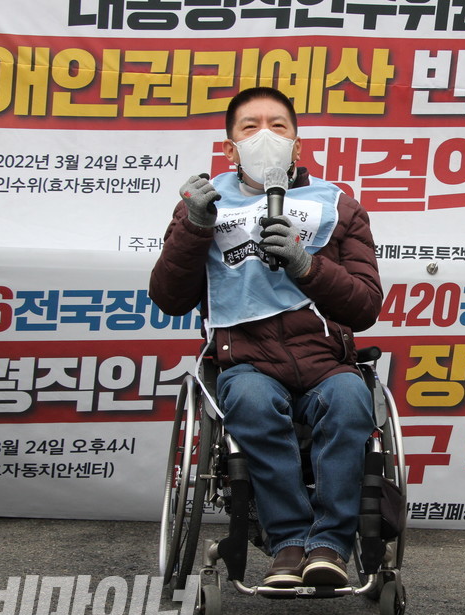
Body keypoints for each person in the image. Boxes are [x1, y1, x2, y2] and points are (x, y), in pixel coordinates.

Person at [149, 86, 383, 588]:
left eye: (278, 126)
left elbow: (364, 306)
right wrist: (194, 227)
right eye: (249, 128)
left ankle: (329, 547)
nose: (265, 137)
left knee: (349, 400)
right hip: (245, 361)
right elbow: (169, 298)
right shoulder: (204, 202)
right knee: (252, 401)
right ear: (230, 147)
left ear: (297, 145)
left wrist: (308, 266)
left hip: (325, 360)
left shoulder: (336, 205)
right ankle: (289, 543)